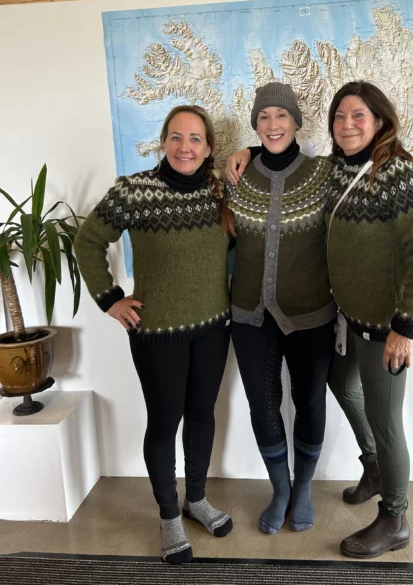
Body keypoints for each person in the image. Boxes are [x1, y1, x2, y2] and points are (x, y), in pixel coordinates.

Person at [75, 105, 234, 566]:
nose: (186, 147)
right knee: (166, 423)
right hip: (157, 331)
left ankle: (197, 500)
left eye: (196, 139)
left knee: (202, 415)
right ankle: (169, 515)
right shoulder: (134, 190)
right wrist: (110, 299)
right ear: (163, 141)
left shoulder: (219, 190)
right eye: (177, 137)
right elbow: (88, 239)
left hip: (212, 328)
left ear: (208, 148)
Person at [326, 80, 413, 558]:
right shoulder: (335, 170)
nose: (348, 124)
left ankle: (395, 518)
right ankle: (373, 466)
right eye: (339, 117)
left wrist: (405, 328)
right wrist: (248, 152)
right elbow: (281, 157)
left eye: (358, 115)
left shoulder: (401, 174)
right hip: (349, 317)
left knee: (386, 418)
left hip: (388, 325)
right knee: (340, 381)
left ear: (379, 121)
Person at [226, 81, 336, 535]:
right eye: (264, 118)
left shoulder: (323, 173)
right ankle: (281, 489)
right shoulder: (236, 175)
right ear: (255, 125)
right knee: (262, 404)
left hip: (310, 312)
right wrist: (246, 152)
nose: (273, 125)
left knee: (308, 400)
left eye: (282, 116)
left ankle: (304, 486)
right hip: (250, 314)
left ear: (296, 122)